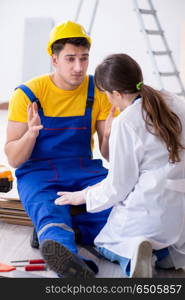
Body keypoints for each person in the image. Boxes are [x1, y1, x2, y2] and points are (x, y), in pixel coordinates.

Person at [55, 53, 185, 278]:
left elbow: (118, 186)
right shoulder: (173, 100)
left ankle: (135, 255)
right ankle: (160, 255)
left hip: (147, 212)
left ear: (115, 93)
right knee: (166, 244)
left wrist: (84, 196)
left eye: (106, 95)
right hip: (178, 213)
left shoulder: (126, 122)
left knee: (105, 243)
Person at [4, 21, 118, 278]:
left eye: (84, 59)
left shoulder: (97, 90)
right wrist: (32, 133)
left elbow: (108, 155)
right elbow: (13, 158)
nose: (78, 67)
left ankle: (124, 246)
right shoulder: (27, 93)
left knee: (116, 204)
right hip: (38, 173)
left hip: (84, 169)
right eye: (70, 59)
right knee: (49, 208)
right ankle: (69, 260)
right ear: (54, 60)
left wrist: (110, 136)